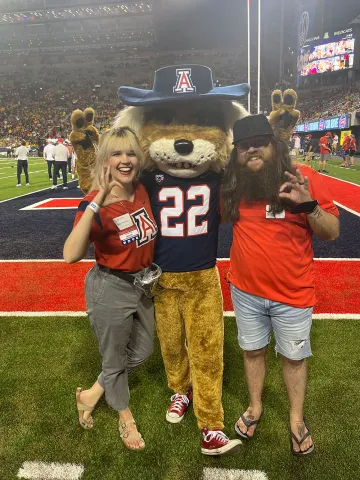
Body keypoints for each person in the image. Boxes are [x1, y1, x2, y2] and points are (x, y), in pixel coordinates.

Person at [221, 114, 340, 456]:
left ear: (274, 145)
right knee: (253, 351)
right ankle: (255, 407)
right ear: (237, 153)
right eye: (244, 146)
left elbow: (331, 231)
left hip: (293, 294)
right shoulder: (234, 183)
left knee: (293, 357)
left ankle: (296, 420)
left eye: (260, 142)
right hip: (245, 291)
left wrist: (308, 206)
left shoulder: (305, 178)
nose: (252, 150)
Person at [63, 127, 158, 451]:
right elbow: (71, 254)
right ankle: (125, 416)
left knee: (143, 350)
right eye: (117, 153)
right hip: (110, 287)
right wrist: (95, 203)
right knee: (115, 359)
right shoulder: (94, 201)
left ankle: (90, 394)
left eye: (130, 152)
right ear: (105, 159)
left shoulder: (142, 189)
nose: (125, 159)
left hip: (142, 284)